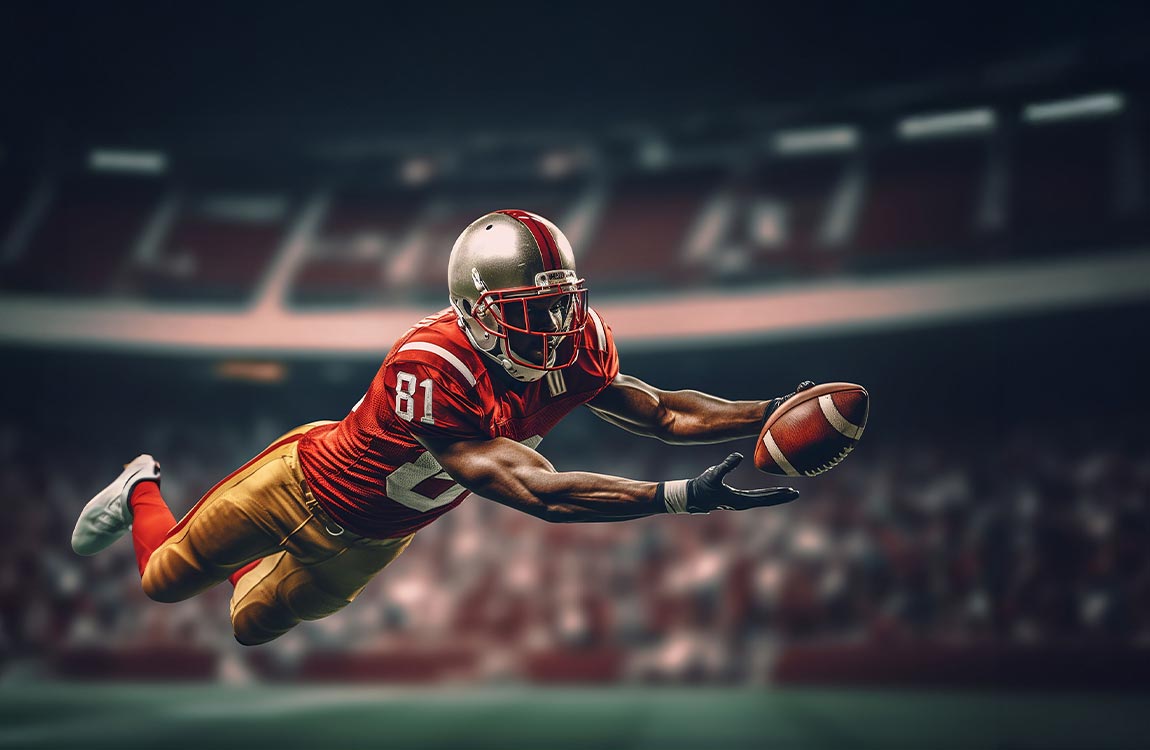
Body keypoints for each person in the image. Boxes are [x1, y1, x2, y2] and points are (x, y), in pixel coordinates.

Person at [71, 209, 809, 646]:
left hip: (376, 539)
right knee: (163, 582)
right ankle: (141, 482)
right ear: (477, 309)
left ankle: (250, 566)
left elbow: (663, 410)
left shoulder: (578, 342)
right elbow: (538, 492)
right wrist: (678, 497)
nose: (554, 327)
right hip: (299, 487)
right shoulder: (431, 365)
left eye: (560, 303)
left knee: (249, 624)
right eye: (530, 308)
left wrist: (767, 413)